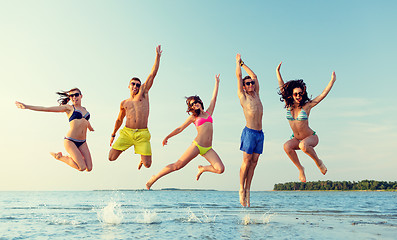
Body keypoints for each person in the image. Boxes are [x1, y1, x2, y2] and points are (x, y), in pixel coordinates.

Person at [146, 74, 225, 189]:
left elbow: (214, 98)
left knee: (220, 169)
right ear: (191, 108)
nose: (195, 104)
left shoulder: (208, 113)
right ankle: (154, 177)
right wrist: (167, 137)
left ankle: (202, 168)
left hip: (208, 149)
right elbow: (180, 128)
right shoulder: (193, 118)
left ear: (200, 102)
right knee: (177, 166)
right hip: (197, 145)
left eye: (196, 102)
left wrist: (217, 83)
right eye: (192, 104)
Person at [276, 62, 336, 182]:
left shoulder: (307, 106)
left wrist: (332, 81)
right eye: (295, 94)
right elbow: (282, 87)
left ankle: (318, 162)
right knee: (286, 146)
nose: (298, 96)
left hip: (310, 137)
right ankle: (300, 169)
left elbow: (323, 94)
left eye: (300, 93)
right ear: (292, 95)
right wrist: (278, 72)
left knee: (303, 146)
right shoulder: (289, 105)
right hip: (296, 139)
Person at [109, 45, 162, 170]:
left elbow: (152, 74)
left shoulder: (143, 93)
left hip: (142, 134)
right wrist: (113, 134)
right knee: (111, 157)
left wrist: (158, 56)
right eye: (133, 84)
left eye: (138, 84)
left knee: (148, 165)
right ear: (128, 86)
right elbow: (119, 120)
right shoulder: (124, 103)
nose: (135, 86)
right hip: (126, 133)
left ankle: (141, 156)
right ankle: (129, 146)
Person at [15, 88, 94, 171]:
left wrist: (90, 128)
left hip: (82, 142)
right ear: (70, 98)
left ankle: (75, 158)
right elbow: (46, 108)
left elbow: (85, 121)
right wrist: (27, 106)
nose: (74, 97)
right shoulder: (69, 108)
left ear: (81, 96)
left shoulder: (85, 110)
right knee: (82, 167)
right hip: (70, 141)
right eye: (71, 96)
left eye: (76, 95)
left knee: (89, 168)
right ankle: (60, 157)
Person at [235, 54, 264, 207]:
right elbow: (239, 76)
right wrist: (238, 64)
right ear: (244, 86)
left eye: (252, 83)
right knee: (246, 162)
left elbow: (254, 75)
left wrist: (244, 63)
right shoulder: (243, 96)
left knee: (254, 163)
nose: (251, 84)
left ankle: (248, 190)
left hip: (260, 134)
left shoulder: (257, 95)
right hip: (249, 133)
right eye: (248, 83)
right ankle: (241, 189)